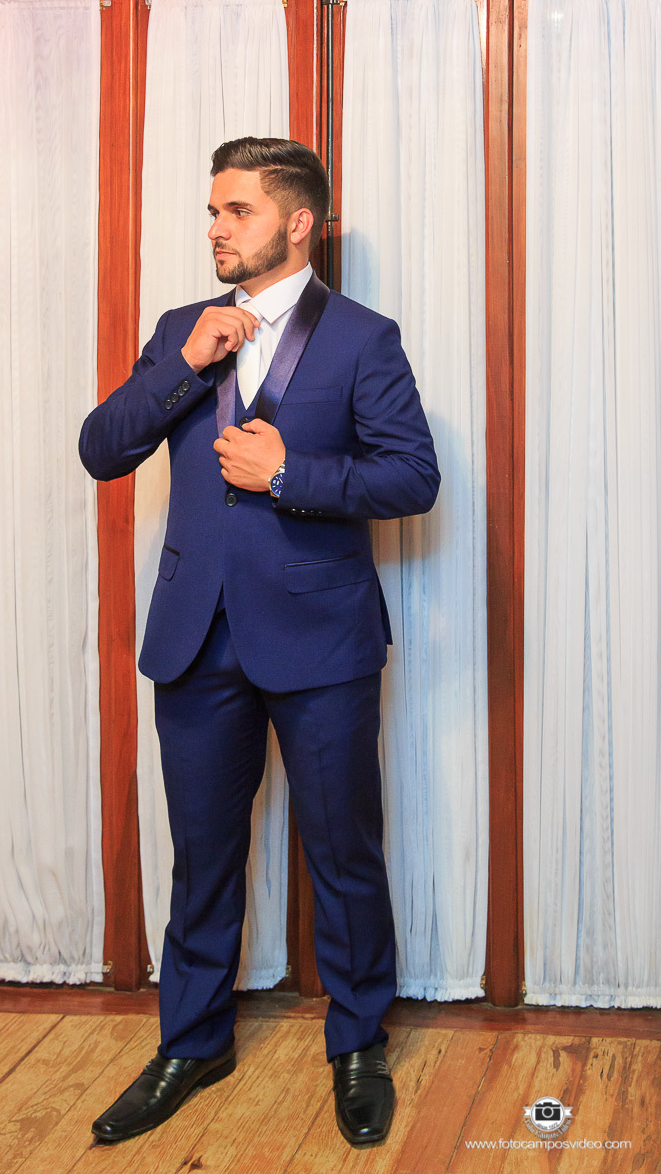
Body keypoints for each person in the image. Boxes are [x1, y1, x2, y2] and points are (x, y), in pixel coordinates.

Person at [79, 136, 440, 1148]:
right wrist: (183, 368)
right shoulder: (180, 329)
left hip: (319, 640)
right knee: (200, 856)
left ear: (297, 222)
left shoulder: (362, 339)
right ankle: (191, 1043)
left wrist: (287, 475)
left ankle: (357, 1042)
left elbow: (413, 477)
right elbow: (102, 449)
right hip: (194, 639)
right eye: (212, 210)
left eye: (235, 210)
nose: (215, 228)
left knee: (343, 852)